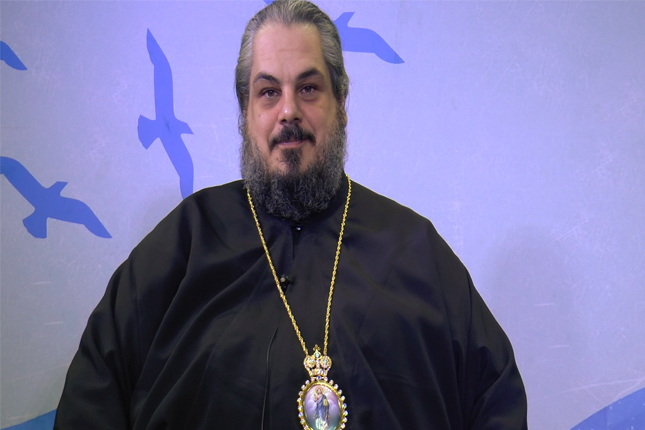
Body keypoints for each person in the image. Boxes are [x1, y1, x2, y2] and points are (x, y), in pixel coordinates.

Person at [54, 1, 528, 429]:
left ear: (341, 104)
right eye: (267, 92)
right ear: (245, 114)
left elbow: (495, 398)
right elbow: (93, 397)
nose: (288, 111)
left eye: (308, 88)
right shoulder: (184, 242)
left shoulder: (415, 250)